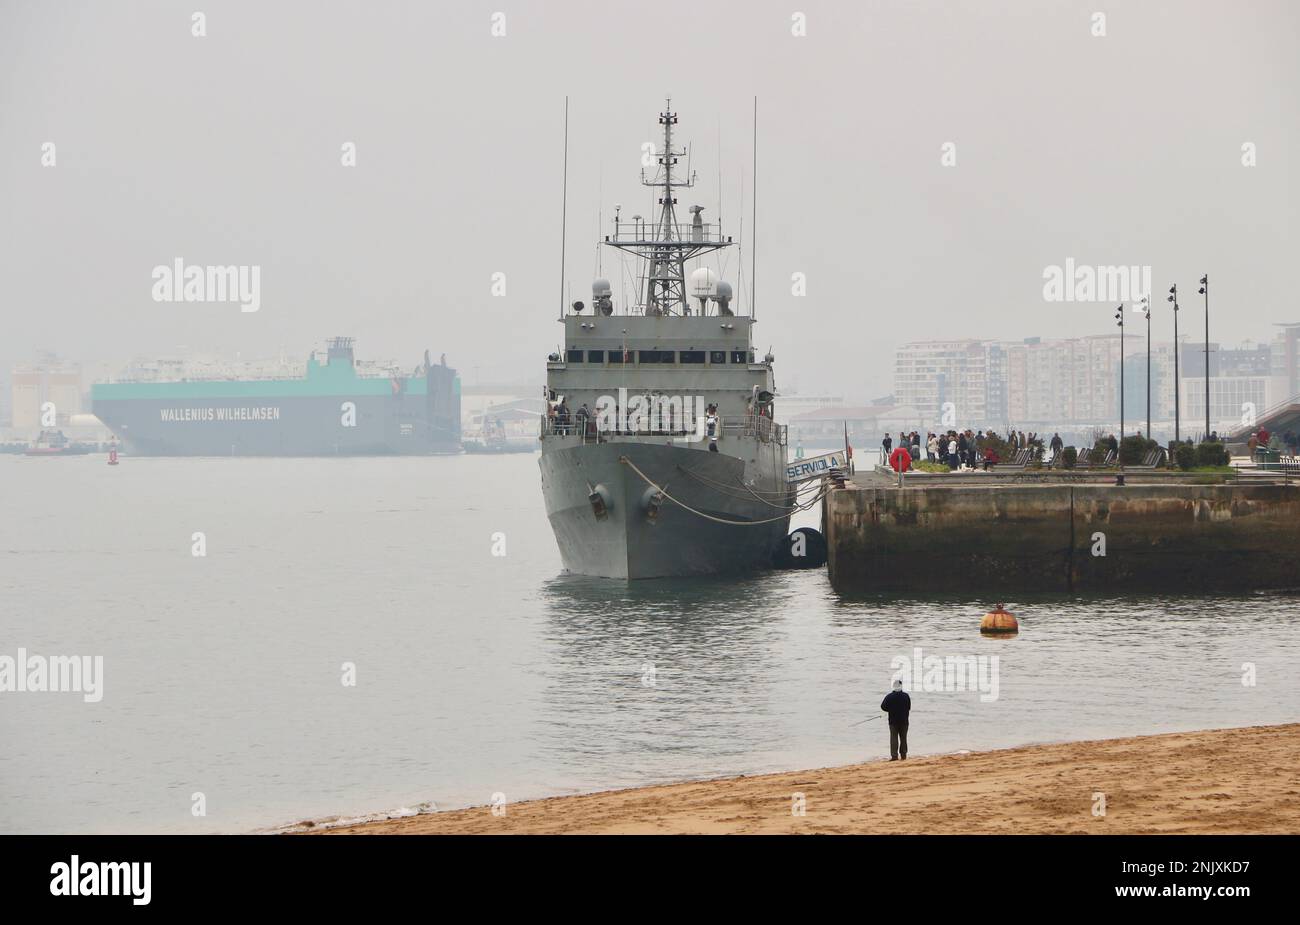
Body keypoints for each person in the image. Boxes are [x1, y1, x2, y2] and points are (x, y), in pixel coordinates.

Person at [881, 679, 911, 760]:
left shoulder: (889, 696)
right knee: (903, 738)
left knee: (894, 738)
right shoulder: (906, 696)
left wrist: (890, 710)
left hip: (893, 721)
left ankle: (894, 756)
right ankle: (903, 755)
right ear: (901, 686)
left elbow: (883, 707)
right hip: (904, 721)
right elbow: (908, 707)